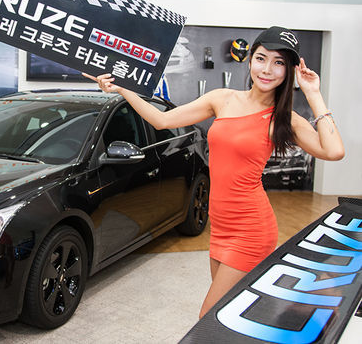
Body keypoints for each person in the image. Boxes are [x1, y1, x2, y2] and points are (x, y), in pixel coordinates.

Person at [83, 26, 345, 318]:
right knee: (229, 311)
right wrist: (122, 89)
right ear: (250, 60)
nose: (267, 69)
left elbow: (334, 151)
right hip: (220, 224)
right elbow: (161, 120)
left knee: (209, 317)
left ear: (289, 71)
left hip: (251, 229)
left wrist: (313, 93)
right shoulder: (222, 99)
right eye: (261, 58)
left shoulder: (284, 119)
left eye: (279, 62)